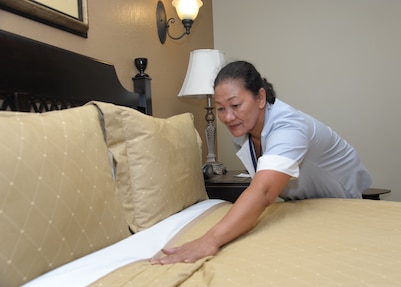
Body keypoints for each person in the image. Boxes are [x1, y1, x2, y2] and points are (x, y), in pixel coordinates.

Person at [151, 60, 372, 265]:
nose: (227, 117)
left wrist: (209, 240)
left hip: (341, 200)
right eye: (220, 108)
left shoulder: (289, 126)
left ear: (260, 98)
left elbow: (264, 191)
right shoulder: (244, 129)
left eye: (235, 105)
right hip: (304, 203)